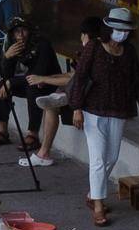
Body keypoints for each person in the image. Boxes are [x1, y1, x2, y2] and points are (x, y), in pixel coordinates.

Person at [66, 5, 139, 226]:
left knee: (112, 157)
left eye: (126, 30)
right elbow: (80, 78)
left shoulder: (129, 52)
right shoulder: (94, 48)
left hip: (118, 110)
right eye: (118, 29)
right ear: (109, 29)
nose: (122, 34)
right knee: (98, 158)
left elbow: (137, 81)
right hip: (92, 111)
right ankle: (98, 205)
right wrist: (76, 108)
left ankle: (93, 193)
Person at [23, 16, 105, 166]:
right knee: (51, 105)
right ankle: (43, 153)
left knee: (54, 102)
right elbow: (73, 75)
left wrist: (45, 79)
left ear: (85, 35)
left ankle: (61, 95)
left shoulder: (95, 52)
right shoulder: (94, 49)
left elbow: (77, 79)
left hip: (93, 98)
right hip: (83, 92)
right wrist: (47, 77)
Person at [0, 16, 59, 150]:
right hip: (32, 81)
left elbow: (37, 75)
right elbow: (6, 76)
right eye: (17, 31)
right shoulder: (14, 45)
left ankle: (33, 136)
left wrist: (11, 81)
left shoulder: (42, 44)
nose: (20, 35)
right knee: (3, 85)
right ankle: (2, 131)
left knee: (32, 89)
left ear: (30, 31)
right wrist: (7, 58)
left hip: (49, 82)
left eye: (24, 31)